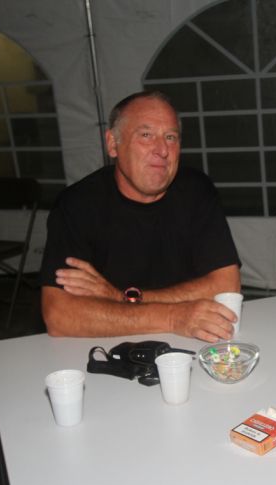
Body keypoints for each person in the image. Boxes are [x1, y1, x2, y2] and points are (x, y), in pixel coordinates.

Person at [39, 91, 241, 342]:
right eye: (146, 135)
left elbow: (227, 286)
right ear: (113, 144)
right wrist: (172, 317)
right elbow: (58, 315)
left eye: (170, 137)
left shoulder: (196, 190)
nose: (162, 150)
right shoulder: (77, 204)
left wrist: (121, 297)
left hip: (191, 341)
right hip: (106, 346)